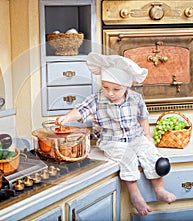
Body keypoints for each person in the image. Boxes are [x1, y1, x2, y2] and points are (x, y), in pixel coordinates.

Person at [55, 52, 176, 216]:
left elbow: (143, 117)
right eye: (105, 87)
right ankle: (135, 195)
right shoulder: (97, 99)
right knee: (128, 158)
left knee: (154, 156)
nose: (110, 93)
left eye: (116, 89)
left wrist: (147, 135)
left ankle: (159, 189)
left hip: (136, 137)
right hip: (112, 141)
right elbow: (82, 110)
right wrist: (67, 117)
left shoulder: (136, 99)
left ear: (127, 86)